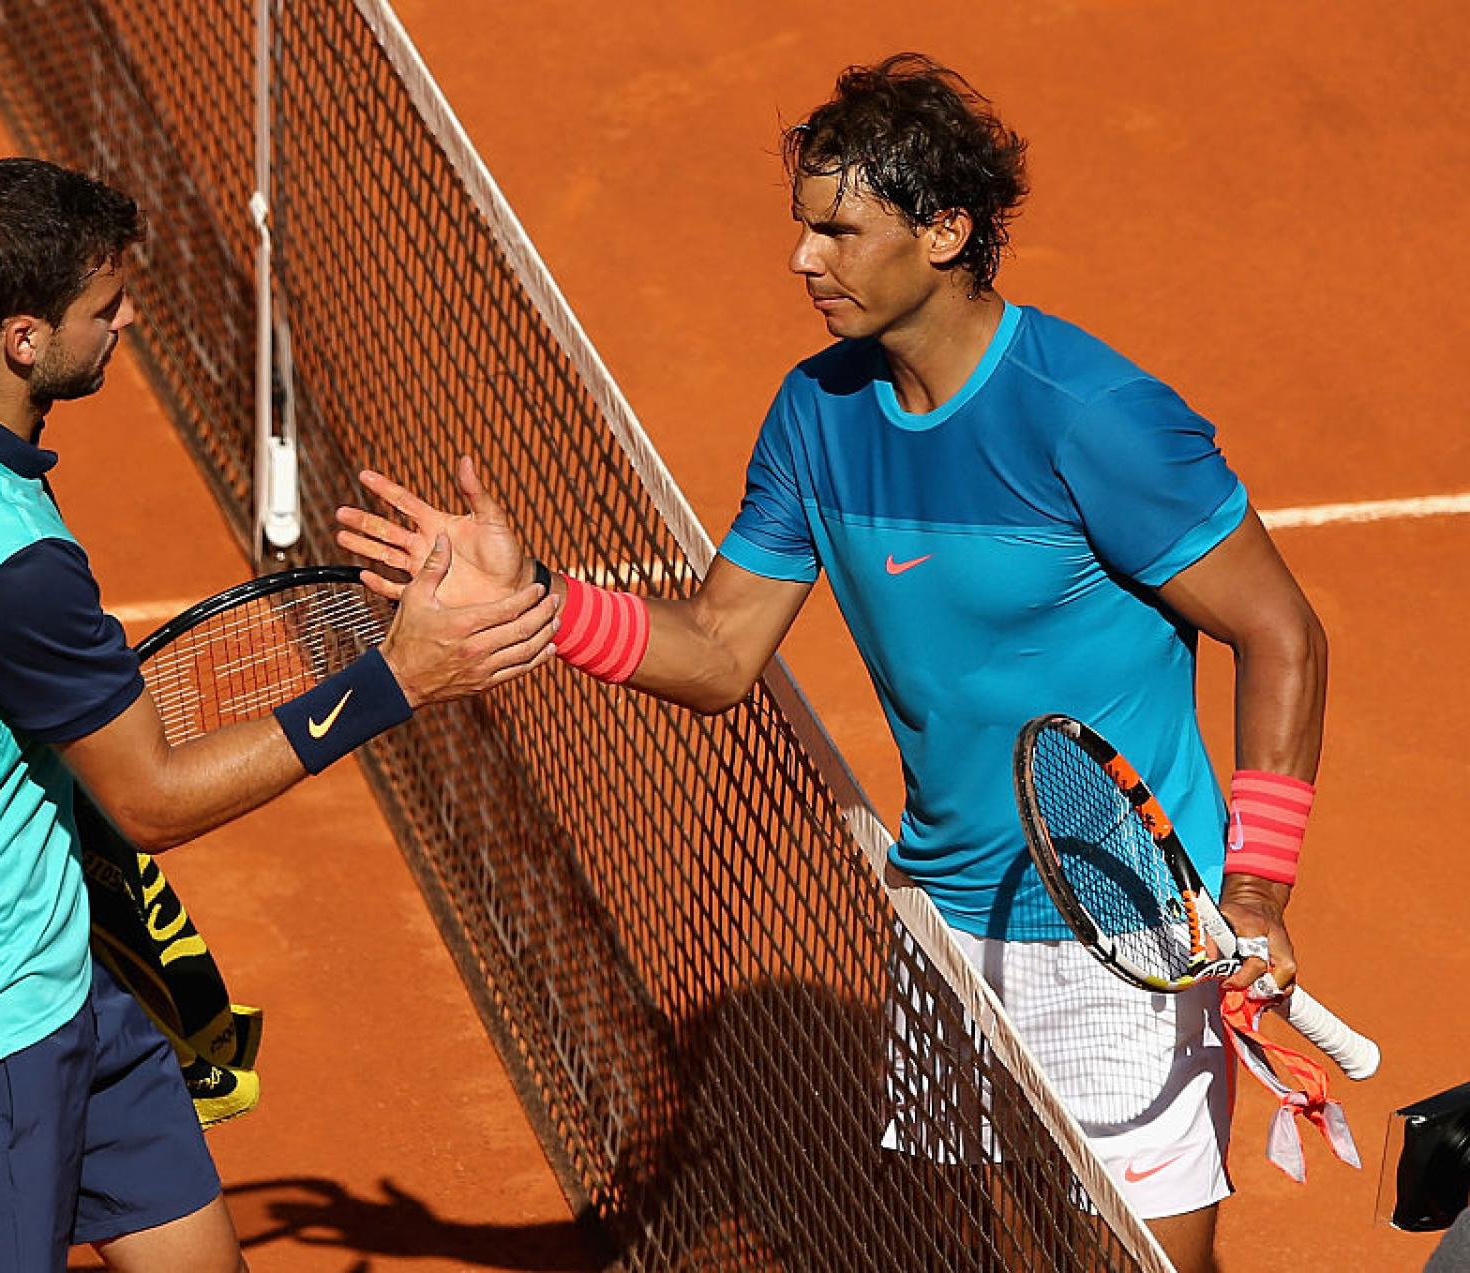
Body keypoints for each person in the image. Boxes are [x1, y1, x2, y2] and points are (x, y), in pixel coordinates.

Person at [331, 54, 1328, 1273]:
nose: (805, 262)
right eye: (805, 229)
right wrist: (541, 600)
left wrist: (1262, 890)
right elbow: (716, 651)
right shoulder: (817, 411)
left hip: (1122, 927)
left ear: (947, 231)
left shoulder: (1090, 416)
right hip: (948, 923)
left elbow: (1282, 631)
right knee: (991, 1254)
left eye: (839, 232)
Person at [0, 157, 559, 1273]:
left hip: (59, 973)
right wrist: (398, 679)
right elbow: (150, 800)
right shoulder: (12, 561)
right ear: (22, 337)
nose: (129, 320)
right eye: (104, 309)